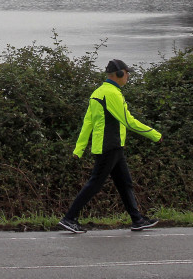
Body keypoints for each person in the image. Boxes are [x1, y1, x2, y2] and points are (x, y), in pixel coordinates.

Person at [59, 59, 162, 233]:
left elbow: (87, 123)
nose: (128, 76)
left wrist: (79, 148)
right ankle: (69, 218)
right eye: (126, 73)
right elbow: (129, 121)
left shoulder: (98, 92)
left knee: (124, 183)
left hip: (112, 146)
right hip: (109, 146)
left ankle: (137, 219)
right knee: (95, 183)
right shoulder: (112, 93)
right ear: (119, 74)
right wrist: (154, 135)